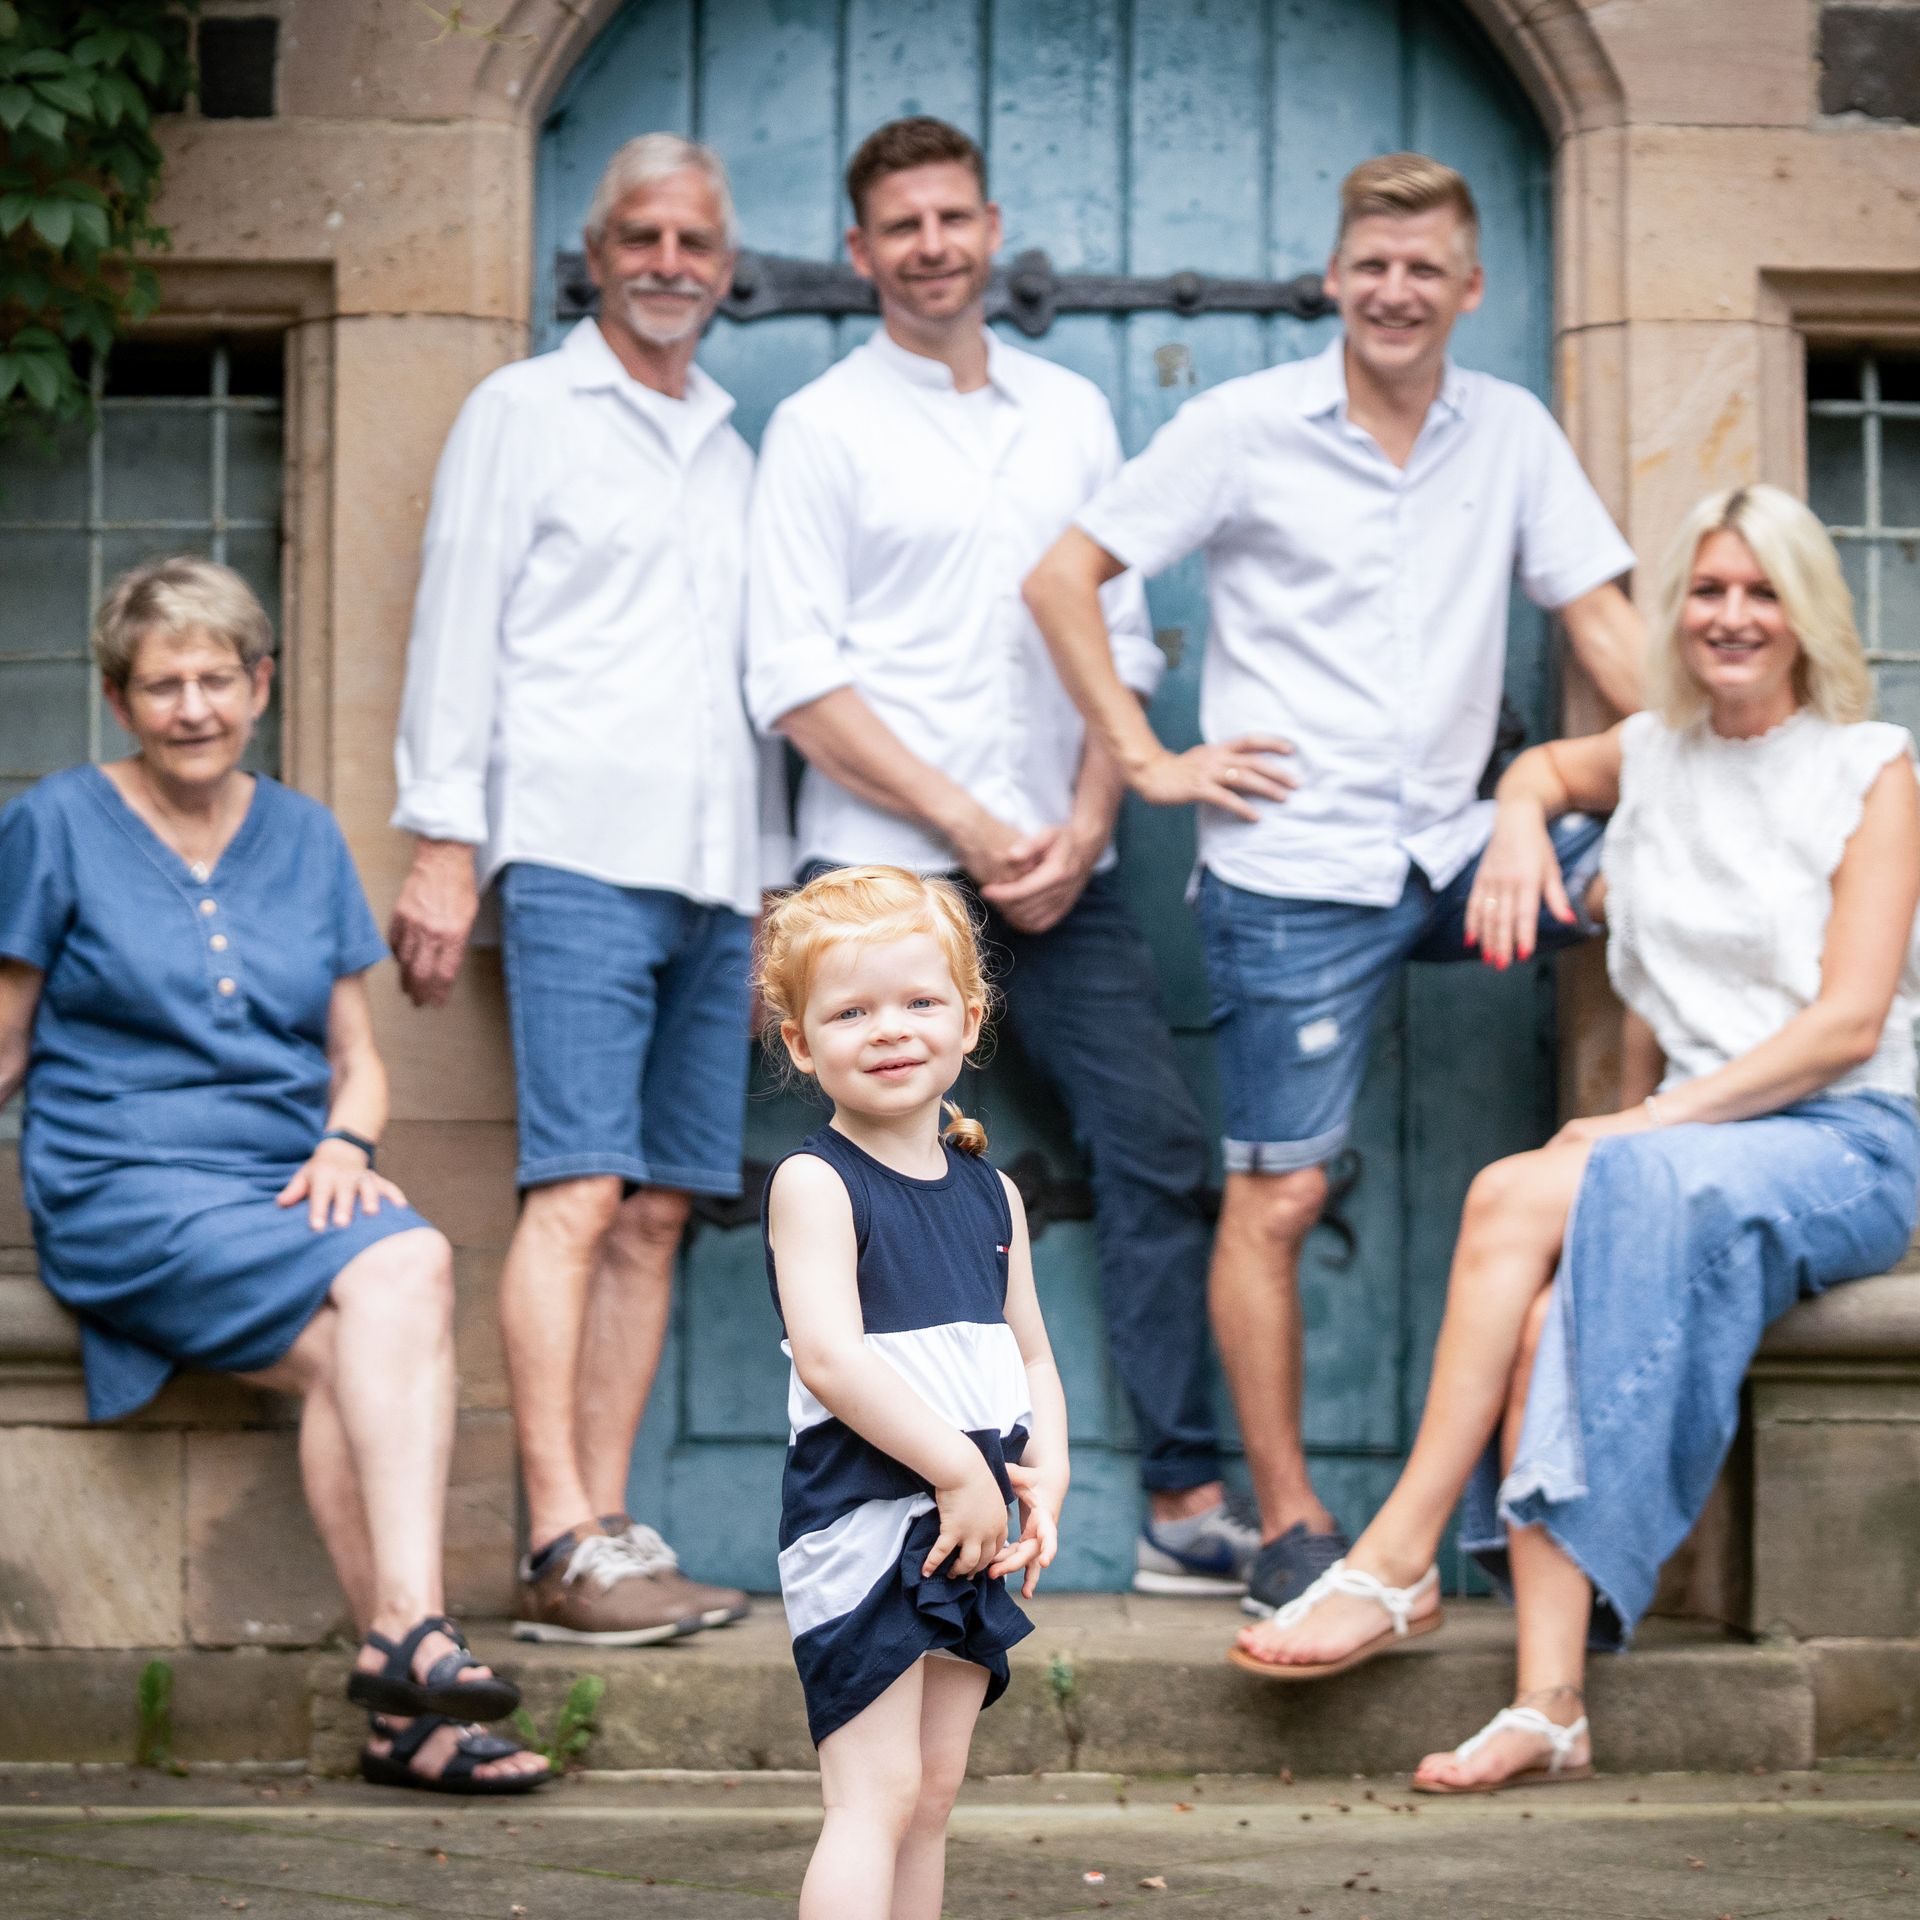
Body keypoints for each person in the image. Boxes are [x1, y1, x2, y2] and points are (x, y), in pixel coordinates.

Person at [1023, 151, 1646, 1617]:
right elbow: (1063, 576)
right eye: (1373, 264)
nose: (1396, 290)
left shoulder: (1510, 432)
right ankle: (1293, 1522)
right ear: (1333, 278)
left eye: (1424, 268)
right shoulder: (1244, 426)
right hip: (1295, 867)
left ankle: (1670, 1154)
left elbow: (1608, 627)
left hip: (1462, 848)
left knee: (1665, 875)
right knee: (1282, 1189)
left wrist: (1734, 774)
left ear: (1469, 287)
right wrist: (1146, 758)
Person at [1230, 484, 1920, 1792]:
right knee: (1553, 1317)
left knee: (1515, 1190)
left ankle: (1395, 1559)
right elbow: (1544, 770)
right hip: (1695, 1149)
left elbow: (1844, 1027)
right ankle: (1551, 1707)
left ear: (1805, 612)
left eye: (1761, 591)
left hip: (1844, 1142)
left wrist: (1646, 1121)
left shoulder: (1869, 768)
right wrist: (1512, 826)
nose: (1731, 616)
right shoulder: (1652, 751)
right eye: (1707, 590)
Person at [748, 116, 1253, 1597]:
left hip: (1065, 868)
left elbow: (1119, 641)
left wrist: (1090, 822)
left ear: (991, 228)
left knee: (1159, 1150)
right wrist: (969, 828)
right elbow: (797, 680)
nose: (932, 246)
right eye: (901, 225)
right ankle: (888, 1516)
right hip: (883, 884)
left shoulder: (1070, 413)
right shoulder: (823, 426)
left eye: (953, 217)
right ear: (861, 252)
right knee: (867, 1193)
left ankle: (1181, 1504)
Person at [0, 557, 549, 1795]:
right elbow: (6, 1040)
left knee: (363, 1334)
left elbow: (356, 1061)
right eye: (162, 685)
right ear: (118, 700)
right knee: (409, 1261)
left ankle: (407, 1695)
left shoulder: (302, 834)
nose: (192, 707)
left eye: (216, 679)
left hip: (287, 1182)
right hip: (121, 1184)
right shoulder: (55, 824)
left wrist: (345, 1143)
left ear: (260, 685)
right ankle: (417, 1639)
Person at [388, 133, 775, 1643]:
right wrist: (443, 836)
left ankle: (608, 1539)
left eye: (695, 241)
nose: (669, 263)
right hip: (571, 854)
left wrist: (768, 888)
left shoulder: (731, 447)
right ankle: (554, 1534)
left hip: (716, 875)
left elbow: (749, 688)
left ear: (724, 267)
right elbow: (456, 619)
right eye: (642, 236)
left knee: (661, 1208)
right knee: (580, 1187)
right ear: (597, 254)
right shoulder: (523, 412)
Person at [756, 865, 1068, 1919]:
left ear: (968, 1020)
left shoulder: (994, 1191)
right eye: (851, 1011)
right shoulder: (817, 1183)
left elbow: (1030, 1354)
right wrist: (956, 1472)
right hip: (869, 1519)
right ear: (803, 1043)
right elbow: (831, 1360)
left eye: (919, 1001)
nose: (889, 1029)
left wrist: (1045, 1475)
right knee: (874, 1795)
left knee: (931, 1796)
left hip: (970, 1524)